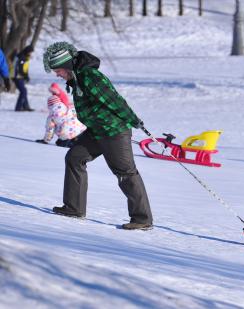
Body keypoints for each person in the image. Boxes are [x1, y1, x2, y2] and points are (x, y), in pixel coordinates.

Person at [43, 41, 153, 230]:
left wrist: (134, 120)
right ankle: (74, 207)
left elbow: (114, 100)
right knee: (75, 157)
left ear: (67, 65)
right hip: (97, 131)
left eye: (58, 69)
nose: (57, 74)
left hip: (113, 131)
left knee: (125, 172)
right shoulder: (77, 79)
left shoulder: (89, 76)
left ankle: (142, 219)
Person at [35, 83, 86, 147]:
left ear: (49, 105)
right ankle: (77, 140)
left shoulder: (51, 117)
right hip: (80, 130)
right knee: (69, 134)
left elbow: (50, 129)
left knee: (59, 143)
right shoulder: (68, 108)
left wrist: (45, 140)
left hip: (67, 133)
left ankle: (74, 144)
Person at [12, 45, 34, 111]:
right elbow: (20, 68)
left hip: (20, 76)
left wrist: (26, 76)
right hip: (17, 76)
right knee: (23, 91)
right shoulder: (22, 57)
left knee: (24, 90)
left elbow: (25, 68)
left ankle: (25, 106)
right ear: (27, 51)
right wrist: (25, 76)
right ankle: (18, 108)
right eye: (30, 52)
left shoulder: (25, 57)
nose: (31, 53)